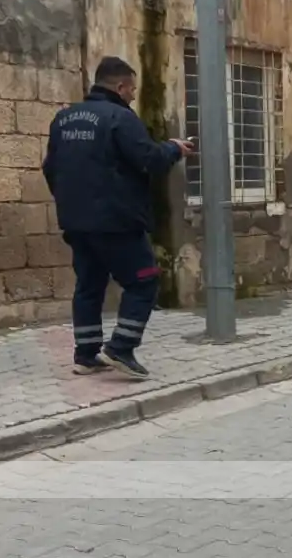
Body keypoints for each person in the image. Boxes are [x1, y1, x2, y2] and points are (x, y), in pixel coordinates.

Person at [43, 56, 196, 380]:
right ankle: (121, 348)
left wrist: (70, 204)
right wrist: (173, 149)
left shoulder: (63, 119)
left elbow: (50, 168)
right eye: (132, 90)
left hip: (76, 222)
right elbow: (148, 159)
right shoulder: (120, 118)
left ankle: (86, 355)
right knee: (144, 281)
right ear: (121, 86)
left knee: (89, 285)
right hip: (117, 221)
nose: (133, 95)